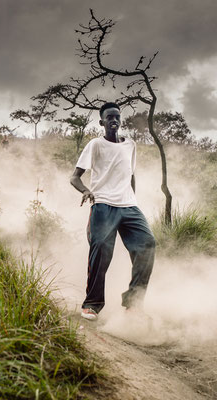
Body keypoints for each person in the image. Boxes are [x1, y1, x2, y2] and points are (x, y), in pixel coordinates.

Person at [70, 102, 156, 321]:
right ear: (102, 122)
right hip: (103, 204)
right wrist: (86, 191)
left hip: (128, 205)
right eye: (109, 117)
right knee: (100, 250)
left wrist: (132, 199)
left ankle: (133, 304)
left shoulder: (131, 145)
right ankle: (92, 305)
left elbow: (131, 175)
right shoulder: (95, 145)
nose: (114, 120)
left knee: (147, 243)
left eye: (117, 116)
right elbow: (74, 177)